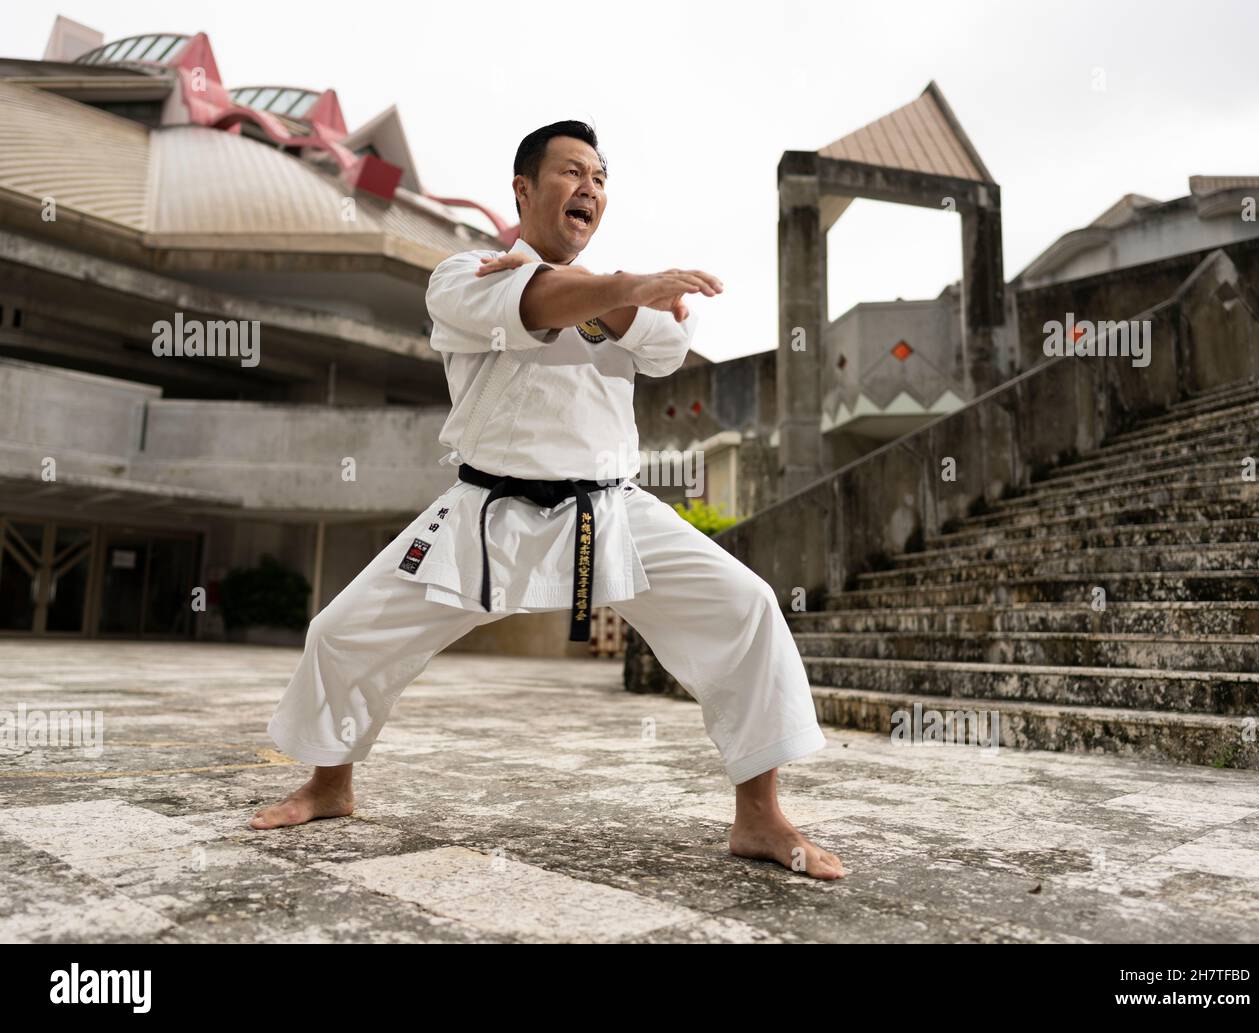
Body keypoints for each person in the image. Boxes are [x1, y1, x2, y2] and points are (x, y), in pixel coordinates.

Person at [251, 120, 844, 880]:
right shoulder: (463, 276)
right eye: (572, 171)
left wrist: (610, 296)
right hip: (483, 509)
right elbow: (534, 306)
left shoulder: (618, 294)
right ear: (524, 190)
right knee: (344, 631)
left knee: (748, 606)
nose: (591, 187)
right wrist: (617, 289)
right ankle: (329, 783)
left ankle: (759, 816)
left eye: (600, 177)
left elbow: (658, 343)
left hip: (609, 509)